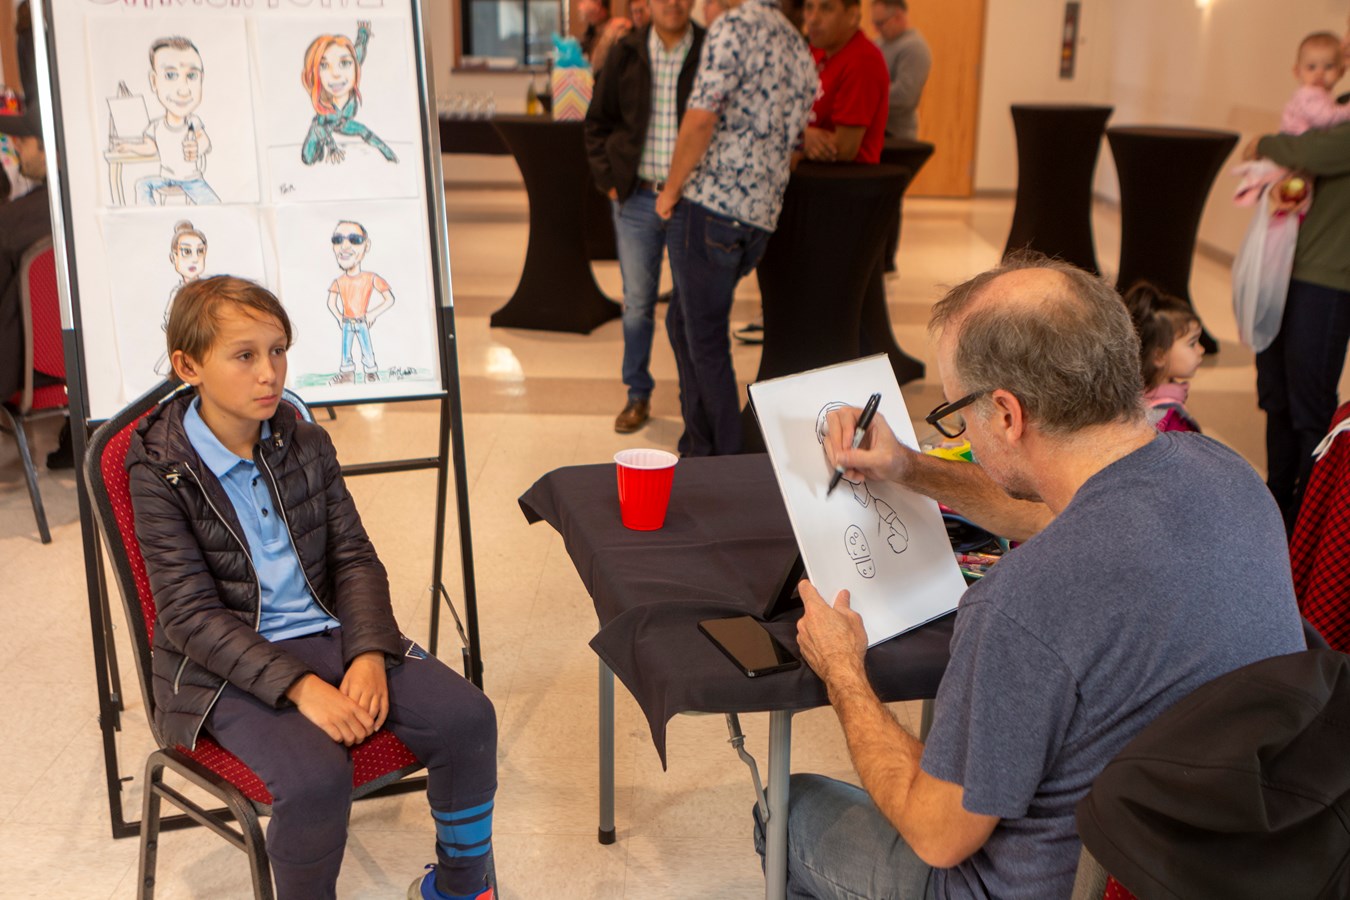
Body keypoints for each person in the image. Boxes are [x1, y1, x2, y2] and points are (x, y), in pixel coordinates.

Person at [769, 256, 1306, 899]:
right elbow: (1057, 516)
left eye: (957, 413)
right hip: (1228, 860)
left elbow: (938, 835)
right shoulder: (1229, 475)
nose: (961, 431)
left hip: (1041, 888)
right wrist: (908, 466)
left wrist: (844, 671)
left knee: (789, 810)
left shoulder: (1020, 604)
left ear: (1006, 413)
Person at [126, 276, 497, 900]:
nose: (269, 373)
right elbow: (189, 616)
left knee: (468, 718)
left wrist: (369, 652)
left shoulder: (305, 440)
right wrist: (301, 687)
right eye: (244, 356)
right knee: (316, 777)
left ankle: (460, 889)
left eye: (278, 351)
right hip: (221, 666)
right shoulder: (160, 468)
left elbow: (354, 557)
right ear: (188, 367)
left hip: (328, 630)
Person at [654, 0, 817, 457]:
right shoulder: (797, 46)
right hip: (757, 219)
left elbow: (701, 118)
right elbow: (795, 144)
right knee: (681, 321)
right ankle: (698, 443)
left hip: (710, 208)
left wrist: (670, 190)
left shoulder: (733, 27)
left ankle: (728, 460)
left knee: (705, 340)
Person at [1243, 20, 1350, 530]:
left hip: (1329, 278)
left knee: (1309, 404)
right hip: (1285, 268)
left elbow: (1304, 151)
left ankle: (1307, 520)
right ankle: (1275, 507)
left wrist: (1265, 140)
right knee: (1276, 394)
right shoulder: (1332, 104)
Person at [584, 0, 706, 433]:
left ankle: (696, 400)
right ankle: (637, 393)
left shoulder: (709, 50)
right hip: (636, 198)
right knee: (637, 303)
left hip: (693, 200)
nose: (672, 3)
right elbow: (597, 122)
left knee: (693, 306)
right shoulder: (627, 51)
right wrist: (610, 181)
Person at [113, 36, 220, 205]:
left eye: (192, 75)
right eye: (170, 75)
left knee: (215, 206)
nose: (183, 90)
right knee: (142, 185)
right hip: (166, 179)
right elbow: (150, 148)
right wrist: (129, 147)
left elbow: (204, 140)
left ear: (202, 79)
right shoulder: (155, 126)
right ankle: (149, 214)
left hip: (192, 181)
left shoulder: (192, 121)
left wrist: (197, 147)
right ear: (154, 81)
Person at [801, 0, 889, 165]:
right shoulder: (816, 50)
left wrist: (796, 139)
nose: (813, 19)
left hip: (841, 175)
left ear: (852, 17)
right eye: (809, 7)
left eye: (826, 8)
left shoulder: (863, 61)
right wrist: (800, 136)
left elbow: (843, 149)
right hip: (807, 166)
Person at [300, 21, 398, 166]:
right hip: (321, 131)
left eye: (344, 64)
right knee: (308, 159)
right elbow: (319, 129)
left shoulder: (352, 68)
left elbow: (357, 53)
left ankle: (391, 157)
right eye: (324, 66)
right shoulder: (324, 103)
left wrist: (363, 33)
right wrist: (331, 146)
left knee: (364, 131)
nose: (335, 74)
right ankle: (317, 152)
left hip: (343, 124)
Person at [1123, 281, 1204, 433]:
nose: (1201, 350)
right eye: (1192, 343)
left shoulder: (1132, 396)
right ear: (1159, 357)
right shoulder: (1171, 420)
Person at [326, 219, 395, 385]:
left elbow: (389, 299)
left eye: (355, 240)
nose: (345, 246)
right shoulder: (338, 281)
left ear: (367, 245)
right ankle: (347, 374)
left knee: (367, 348)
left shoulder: (371, 277)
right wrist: (339, 317)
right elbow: (331, 303)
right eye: (337, 240)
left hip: (362, 321)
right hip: (347, 322)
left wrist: (372, 314)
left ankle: (371, 372)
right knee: (346, 350)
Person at [871, 0, 930, 142]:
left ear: (898, 17)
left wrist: (865, 96)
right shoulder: (877, 44)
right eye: (874, 23)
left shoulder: (914, 48)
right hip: (874, 131)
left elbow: (904, 96)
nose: (876, 29)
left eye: (880, 23)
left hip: (896, 137)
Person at [1282, 31, 1350, 135]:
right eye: (1311, 67)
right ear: (1297, 72)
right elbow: (1325, 119)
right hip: (1295, 139)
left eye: (1328, 66)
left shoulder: (1320, 93)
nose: (1319, 73)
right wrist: (1347, 110)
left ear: (1341, 72)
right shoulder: (1308, 94)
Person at [579, 0, 631, 72]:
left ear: (598, 4)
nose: (580, 7)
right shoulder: (590, 33)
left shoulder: (618, 30)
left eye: (583, 1)